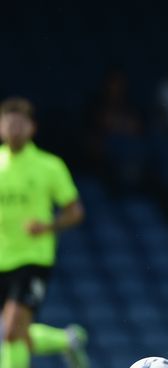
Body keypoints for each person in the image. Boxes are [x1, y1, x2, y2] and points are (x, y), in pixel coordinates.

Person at [0, 97, 89, 368]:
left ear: (32, 128)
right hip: (2, 257)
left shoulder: (49, 166)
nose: (14, 129)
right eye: (9, 123)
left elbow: (75, 212)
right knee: (18, 334)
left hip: (33, 258)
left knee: (12, 329)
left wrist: (48, 226)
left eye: (20, 124)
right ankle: (66, 341)